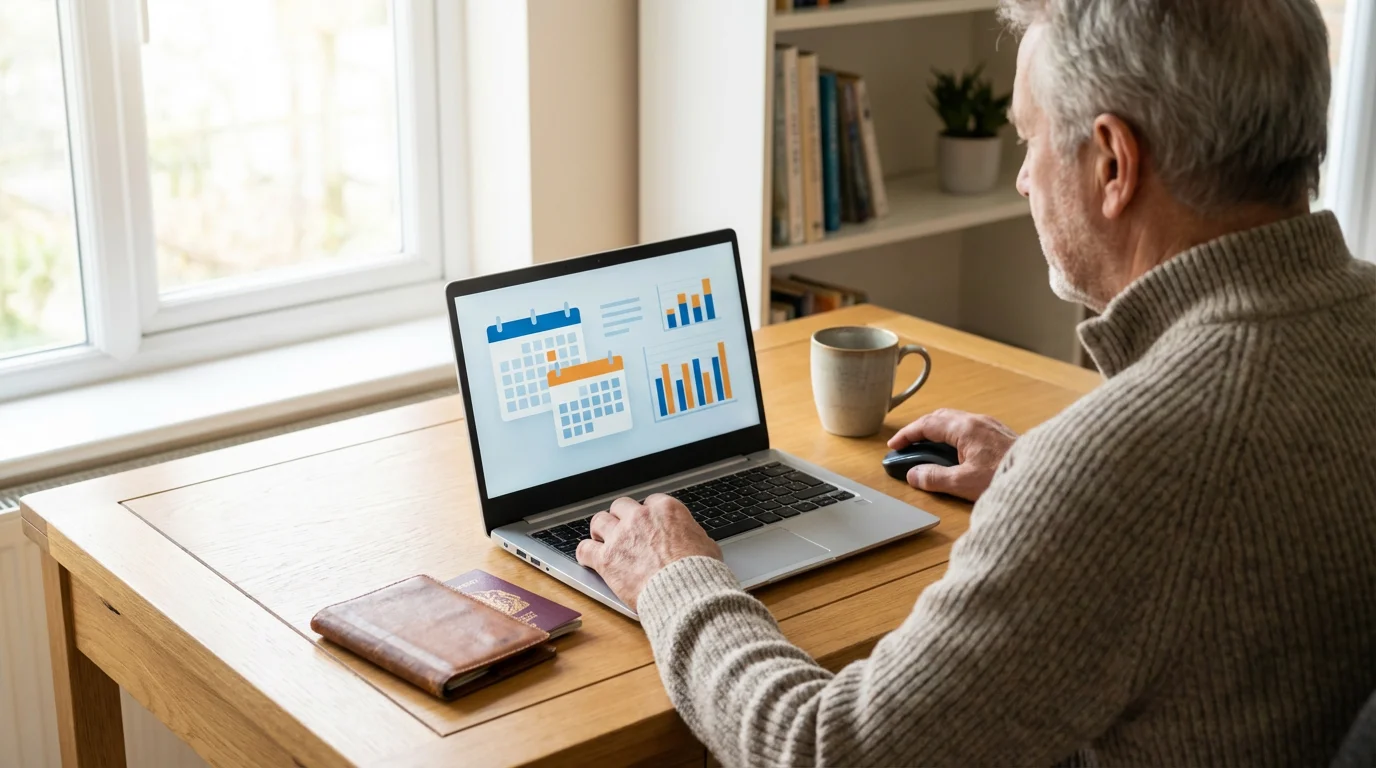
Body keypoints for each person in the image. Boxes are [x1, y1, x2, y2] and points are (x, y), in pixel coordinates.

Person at [576, 0, 1376, 763]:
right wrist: (1036, 480)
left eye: (1029, 139)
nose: (1024, 179)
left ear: (1112, 163)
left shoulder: (1123, 467)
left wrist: (674, 577)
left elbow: (826, 752)